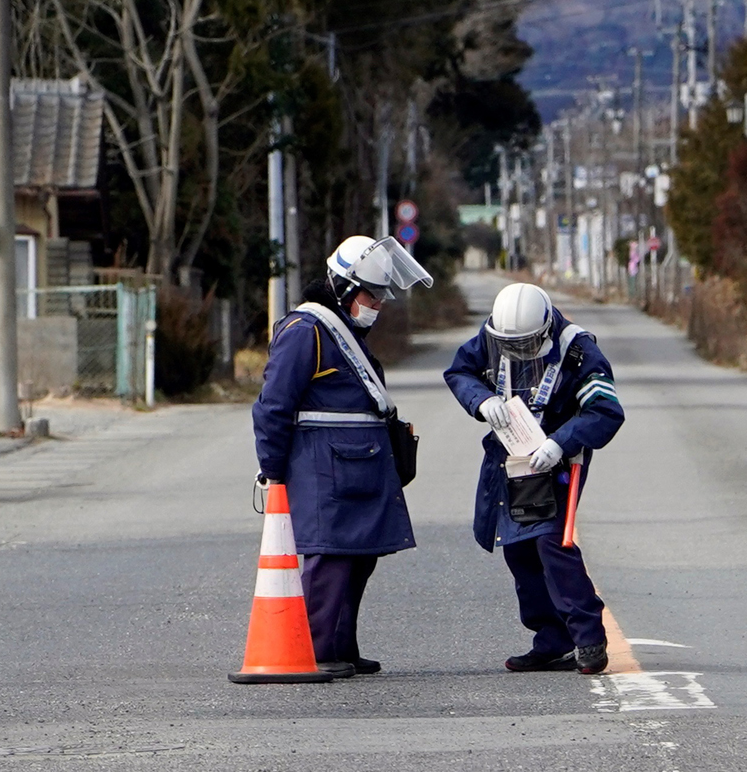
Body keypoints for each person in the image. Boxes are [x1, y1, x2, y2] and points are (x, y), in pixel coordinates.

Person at [250, 235, 432, 678]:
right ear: (345, 288)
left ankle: (340, 646)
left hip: (355, 466)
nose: (378, 304)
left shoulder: (342, 331)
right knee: (330, 560)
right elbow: (272, 407)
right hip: (323, 468)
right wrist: (273, 471)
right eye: (372, 295)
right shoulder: (306, 331)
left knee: (357, 558)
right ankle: (312, 650)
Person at [444, 283, 624, 675]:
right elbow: (459, 370)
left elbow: (606, 410)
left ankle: (588, 637)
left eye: (526, 343)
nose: (517, 351)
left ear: (543, 329)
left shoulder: (578, 351)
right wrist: (481, 399)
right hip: (507, 456)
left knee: (549, 541)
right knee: (517, 548)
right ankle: (552, 640)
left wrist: (561, 443)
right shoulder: (493, 336)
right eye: (511, 344)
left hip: (557, 459)